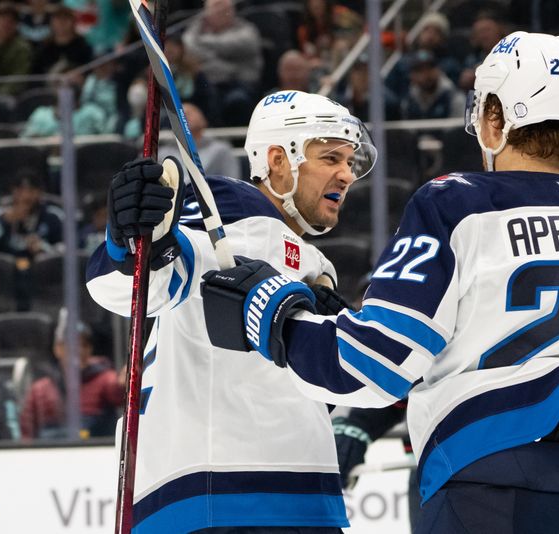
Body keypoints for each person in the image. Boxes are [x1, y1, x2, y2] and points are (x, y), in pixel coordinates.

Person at [202, 32, 559, 534]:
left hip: (489, 478)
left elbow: (376, 361)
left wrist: (276, 316)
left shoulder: (456, 203)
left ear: (495, 117)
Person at [86, 90, 377, 531]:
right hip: (229, 495)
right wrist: (132, 243)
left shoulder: (306, 256)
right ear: (278, 159)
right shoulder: (237, 211)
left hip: (276, 495)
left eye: (350, 161)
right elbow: (142, 286)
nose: (346, 174)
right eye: (331, 157)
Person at [19, 320, 124, 439]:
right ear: (58, 349)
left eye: (84, 345)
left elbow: (118, 391)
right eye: (72, 344)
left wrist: (124, 384)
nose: (79, 350)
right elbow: (27, 433)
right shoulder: (40, 390)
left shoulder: (105, 379)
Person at [157, 102, 240, 179]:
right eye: (179, 114)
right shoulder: (163, 153)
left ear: (203, 120)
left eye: (190, 112)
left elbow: (233, 183)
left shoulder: (221, 150)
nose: (184, 115)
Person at [0, 2, 33, 97]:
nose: (5, 24)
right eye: (1, 19)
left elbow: (19, 77)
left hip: (7, 98)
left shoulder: (22, 48)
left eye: (10, 21)